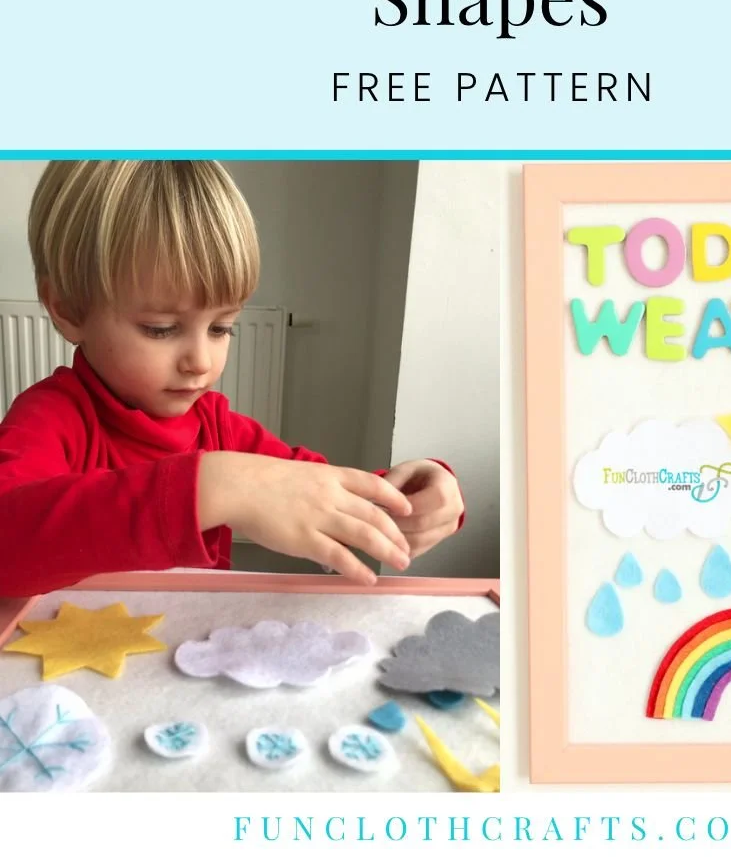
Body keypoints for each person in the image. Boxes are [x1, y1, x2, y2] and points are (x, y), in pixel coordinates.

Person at [0, 160, 463, 596]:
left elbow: (321, 489)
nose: (200, 361)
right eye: (160, 329)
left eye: (221, 328)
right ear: (66, 309)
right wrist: (210, 486)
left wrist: (416, 494)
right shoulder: (52, 418)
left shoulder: (219, 429)